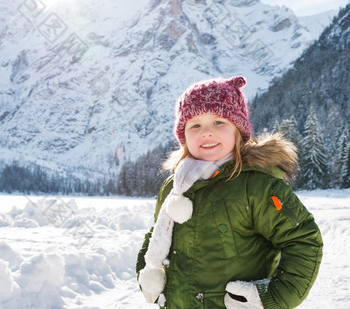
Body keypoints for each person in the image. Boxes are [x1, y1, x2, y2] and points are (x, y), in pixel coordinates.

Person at [136, 76, 322, 308]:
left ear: (238, 131)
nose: (206, 132)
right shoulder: (175, 187)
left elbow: (303, 240)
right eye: (195, 125)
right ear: (184, 136)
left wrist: (273, 296)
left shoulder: (256, 185)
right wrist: (147, 277)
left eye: (218, 122)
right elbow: (157, 234)